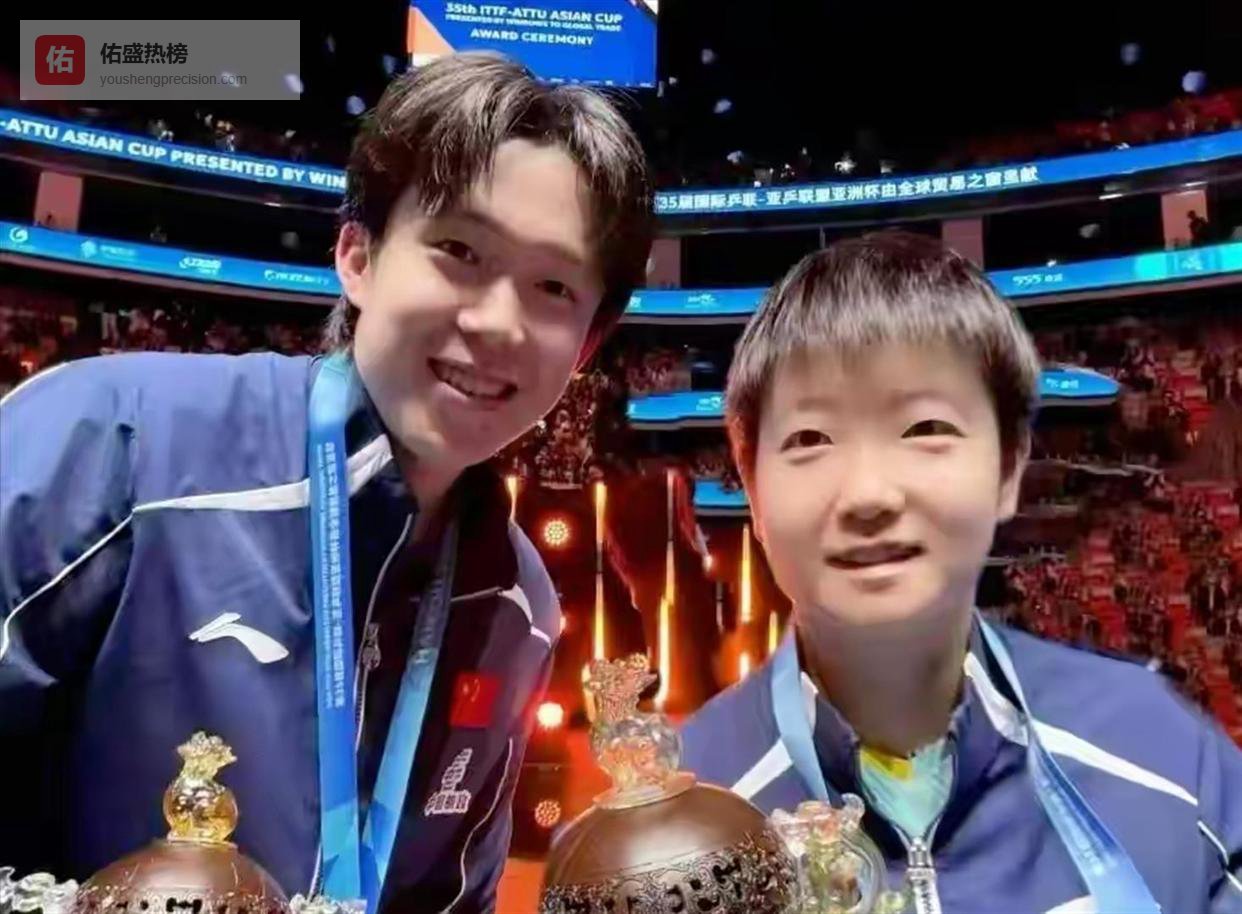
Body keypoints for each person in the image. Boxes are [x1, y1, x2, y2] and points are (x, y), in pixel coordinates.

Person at [0, 52, 652, 912]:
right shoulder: (110, 444)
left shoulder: (519, 608)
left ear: (588, 345)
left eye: (553, 287)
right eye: (459, 250)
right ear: (358, 255)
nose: (498, 321)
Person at [680, 232, 1242, 913]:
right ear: (751, 485)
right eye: (811, 438)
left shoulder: (1166, 757)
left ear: (1009, 467)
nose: (868, 494)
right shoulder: (668, 839)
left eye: (925, 428)